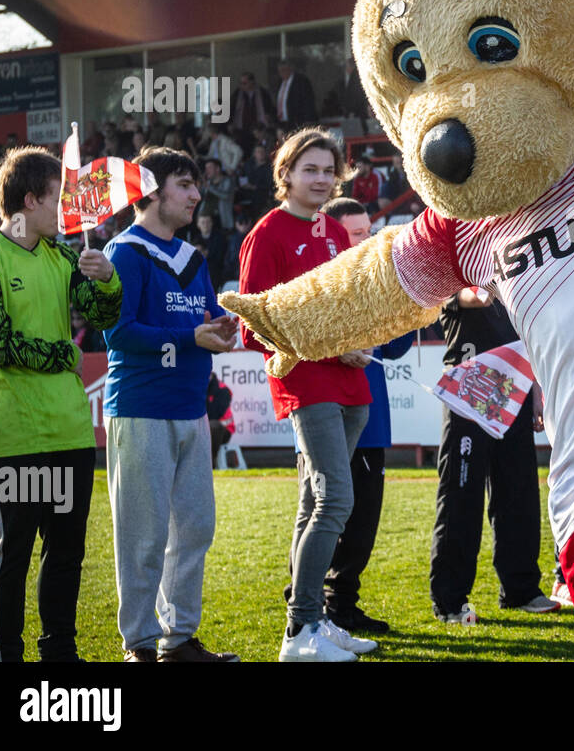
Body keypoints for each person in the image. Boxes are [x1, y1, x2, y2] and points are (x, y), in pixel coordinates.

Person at [0, 146, 123, 661]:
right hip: (15, 434)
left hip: (70, 430)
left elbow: (103, 315)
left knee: (66, 552)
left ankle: (60, 652)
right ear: (30, 200)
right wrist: (63, 352)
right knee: (12, 552)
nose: (69, 211)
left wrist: (107, 278)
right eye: (60, 199)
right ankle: (5, 655)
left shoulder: (64, 256)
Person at [237, 127, 377, 661]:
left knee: (313, 502)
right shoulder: (267, 234)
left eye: (328, 170)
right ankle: (300, 633)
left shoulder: (338, 234)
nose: (321, 180)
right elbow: (253, 327)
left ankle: (313, 620)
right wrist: (326, 348)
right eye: (310, 170)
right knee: (335, 500)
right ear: (286, 174)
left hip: (351, 384)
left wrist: (357, 342)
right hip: (307, 384)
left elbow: (350, 309)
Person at [102, 147, 239, 662]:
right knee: (143, 533)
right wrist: (190, 337)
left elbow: (201, 322)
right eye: (184, 184)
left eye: (195, 185)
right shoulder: (123, 253)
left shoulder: (194, 258)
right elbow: (120, 335)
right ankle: (138, 642)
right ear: (150, 191)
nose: (196, 195)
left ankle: (178, 638)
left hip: (190, 408)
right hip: (140, 408)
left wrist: (220, 331)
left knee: (195, 526)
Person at [315, 198, 415, 633]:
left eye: (368, 231)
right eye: (356, 233)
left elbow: (395, 348)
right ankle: (313, 600)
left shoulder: (377, 280)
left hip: (371, 417)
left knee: (363, 518)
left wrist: (407, 307)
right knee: (323, 511)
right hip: (324, 412)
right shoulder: (316, 285)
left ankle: (342, 601)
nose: (366, 240)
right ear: (332, 238)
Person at [431, 287, 558, 621]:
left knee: (519, 494)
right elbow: (480, 296)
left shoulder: (510, 282)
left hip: (511, 394)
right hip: (468, 397)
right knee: (461, 499)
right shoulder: (455, 277)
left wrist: (535, 395)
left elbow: (526, 341)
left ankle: (521, 589)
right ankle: (450, 600)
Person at [276, 59, 317, 126]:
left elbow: (308, 101)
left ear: (290, 69)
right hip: (284, 122)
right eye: (279, 71)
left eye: (284, 70)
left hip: (299, 121)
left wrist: (308, 119)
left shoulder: (301, 81)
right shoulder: (280, 83)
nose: (281, 73)